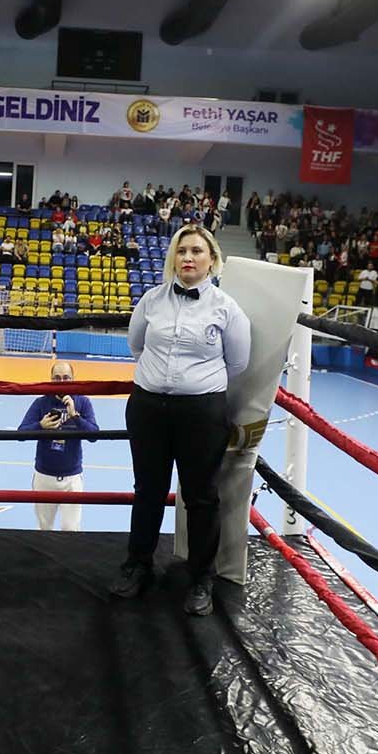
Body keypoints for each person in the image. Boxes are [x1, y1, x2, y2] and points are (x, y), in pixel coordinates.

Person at [112, 225, 250, 617]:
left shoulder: (226, 308)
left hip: (201, 412)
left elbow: (237, 362)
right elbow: (136, 346)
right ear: (173, 258)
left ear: (212, 259)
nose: (188, 258)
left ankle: (201, 578)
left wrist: (194, 384)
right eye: (182, 251)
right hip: (149, 408)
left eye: (197, 251)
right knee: (148, 489)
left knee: (202, 496)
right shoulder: (152, 300)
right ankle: (138, 564)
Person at [18, 361, 100, 532]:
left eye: (66, 378)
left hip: (72, 479)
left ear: (73, 379)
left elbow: (94, 435)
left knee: (71, 529)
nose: (62, 382)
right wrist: (40, 426)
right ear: (50, 379)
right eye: (57, 378)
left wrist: (75, 416)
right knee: (44, 528)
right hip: (44, 477)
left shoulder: (82, 402)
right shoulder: (41, 402)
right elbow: (21, 434)